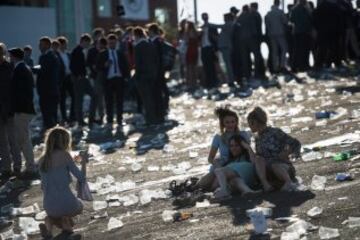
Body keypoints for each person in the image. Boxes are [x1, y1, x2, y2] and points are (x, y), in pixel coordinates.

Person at [38, 126, 86, 239]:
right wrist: (83, 161)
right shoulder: (65, 155)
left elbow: (44, 185)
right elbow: (81, 178)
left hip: (49, 206)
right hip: (68, 204)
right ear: (65, 141)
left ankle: (49, 229)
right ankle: (67, 226)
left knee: (50, 217)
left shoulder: (42, 160)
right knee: (78, 206)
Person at [195, 107, 250, 191]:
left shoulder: (243, 134)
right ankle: (191, 188)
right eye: (227, 122)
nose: (230, 124)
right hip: (221, 165)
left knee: (213, 187)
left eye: (233, 122)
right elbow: (210, 158)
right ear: (223, 124)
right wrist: (217, 165)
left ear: (236, 122)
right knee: (203, 184)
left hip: (238, 164)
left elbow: (248, 152)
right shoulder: (218, 137)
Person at [247, 107, 301, 191]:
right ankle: (266, 185)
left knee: (275, 165)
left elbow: (295, 143)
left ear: (255, 122)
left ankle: (289, 183)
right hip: (269, 172)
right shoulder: (257, 138)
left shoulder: (275, 132)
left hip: (282, 168)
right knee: (258, 159)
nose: (249, 126)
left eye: (250, 123)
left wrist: (286, 153)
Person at [8, 48, 37, 179]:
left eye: (10, 56)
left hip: (22, 110)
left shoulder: (19, 70)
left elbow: (19, 92)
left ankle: (31, 167)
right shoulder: (24, 68)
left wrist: (16, 108)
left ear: (14, 57)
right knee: (24, 139)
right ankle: (30, 166)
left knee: (24, 140)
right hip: (25, 109)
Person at [96, 34, 130, 128]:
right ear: (108, 43)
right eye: (110, 43)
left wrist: (127, 77)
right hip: (108, 80)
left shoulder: (120, 53)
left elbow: (125, 66)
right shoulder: (103, 54)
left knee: (119, 100)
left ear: (116, 43)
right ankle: (110, 120)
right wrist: (105, 65)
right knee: (109, 101)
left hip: (119, 79)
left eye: (114, 43)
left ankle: (119, 119)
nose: (112, 45)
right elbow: (98, 67)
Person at [213, 134, 259, 199]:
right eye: (231, 146)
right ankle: (248, 191)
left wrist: (248, 148)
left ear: (242, 146)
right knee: (235, 180)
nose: (233, 148)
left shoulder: (247, 157)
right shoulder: (230, 161)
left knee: (218, 170)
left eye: (237, 145)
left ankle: (224, 191)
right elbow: (215, 184)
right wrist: (216, 163)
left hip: (248, 176)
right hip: (242, 182)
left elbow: (254, 162)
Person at [0, 43, 21, 179]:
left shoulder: (10, 67)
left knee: (13, 139)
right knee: (2, 142)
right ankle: (6, 168)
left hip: (9, 109)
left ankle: (17, 166)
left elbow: (15, 89)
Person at [133, 27, 160, 125]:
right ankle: (155, 117)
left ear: (136, 35)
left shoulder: (137, 47)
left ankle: (150, 119)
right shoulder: (151, 45)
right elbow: (156, 60)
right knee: (152, 97)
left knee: (146, 98)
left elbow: (138, 63)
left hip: (142, 75)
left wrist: (136, 75)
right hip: (152, 74)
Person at [70, 34, 97, 128]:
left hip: (83, 78)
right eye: (87, 43)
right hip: (79, 78)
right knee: (79, 100)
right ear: (84, 41)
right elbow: (73, 66)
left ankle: (88, 119)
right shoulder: (76, 51)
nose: (88, 45)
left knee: (93, 96)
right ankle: (80, 121)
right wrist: (77, 76)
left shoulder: (81, 51)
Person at [36, 36, 60, 130]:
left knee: (49, 116)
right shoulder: (48, 56)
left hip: (48, 92)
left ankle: (52, 137)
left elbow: (44, 70)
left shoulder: (49, 56)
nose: (39, 46)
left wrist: (32, 69)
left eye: (41, 44)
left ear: (46, 45)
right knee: (49, 115)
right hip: (48, 91)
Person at [147, 23, 168, 120]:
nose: (148, 33)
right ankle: (160, 112)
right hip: (157, 71)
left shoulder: (156, 42)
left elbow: (157, 58)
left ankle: (160, 113)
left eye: (149, 31)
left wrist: (156, 71)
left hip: (157, 71)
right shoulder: (154, 41)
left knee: (157, 93)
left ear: (152, 31)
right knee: (157, 92)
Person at [265, 0, 289, 73]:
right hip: (280, 33)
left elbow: (267, 25)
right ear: (278, 3)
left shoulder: (268, 14)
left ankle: (275, 67)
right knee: (284, 49)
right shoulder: (280, 12)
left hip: (271, 34)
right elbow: (285, 21)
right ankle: (282, 65)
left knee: (274, 51)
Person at [290, 0, 313, 72]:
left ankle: (294, 66)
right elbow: (310, 19)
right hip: (305, 31)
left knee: (296, 50)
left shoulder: (294, 9)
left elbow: (291, 20)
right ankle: (304, 65)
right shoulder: (306, 9)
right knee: (305, 50)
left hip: (297, 32)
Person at [57, 36, 75, 124]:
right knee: (62, 99)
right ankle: (64, 117)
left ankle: (72, 116)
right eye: (64, 44)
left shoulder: (68, 54)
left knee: (73, 96)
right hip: (62, 79)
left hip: (69, 77)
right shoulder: (57, 55)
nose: (66, 46)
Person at [200, 13, 219, 89]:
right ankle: (208, 83)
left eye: (206, 17)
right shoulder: (200, 28)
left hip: (210, 48)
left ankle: (214, 82)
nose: (205, 18)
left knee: (212, 66)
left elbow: (216, 37)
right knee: (206, 66)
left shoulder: (212, 27)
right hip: (204, 48)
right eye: (203, 17)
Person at [217, 13, 235, 86]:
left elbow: (217, 26)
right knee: (227, 64)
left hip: (226, 46)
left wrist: (207, 24)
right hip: (225, 46)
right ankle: (230, 79)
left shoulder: (229, 24)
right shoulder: (229, 24)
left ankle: (231, 80)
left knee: (228, 64)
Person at [250, 2, 266, 79]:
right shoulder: (257, 14)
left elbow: (254, 28)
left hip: (255, 38)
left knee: (257, 55)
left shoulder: (254, 15)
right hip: (258, 37)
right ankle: (260, 71)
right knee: (258, 54)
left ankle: (258, 72)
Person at [184, 21, 199, 91]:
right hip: (195, 51)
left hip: (190, 50)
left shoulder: (187, 33)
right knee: (194, 68)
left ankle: (190, 84)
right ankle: (195, 83)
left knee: (189, 68)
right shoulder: (196, 33)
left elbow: (186, 42)